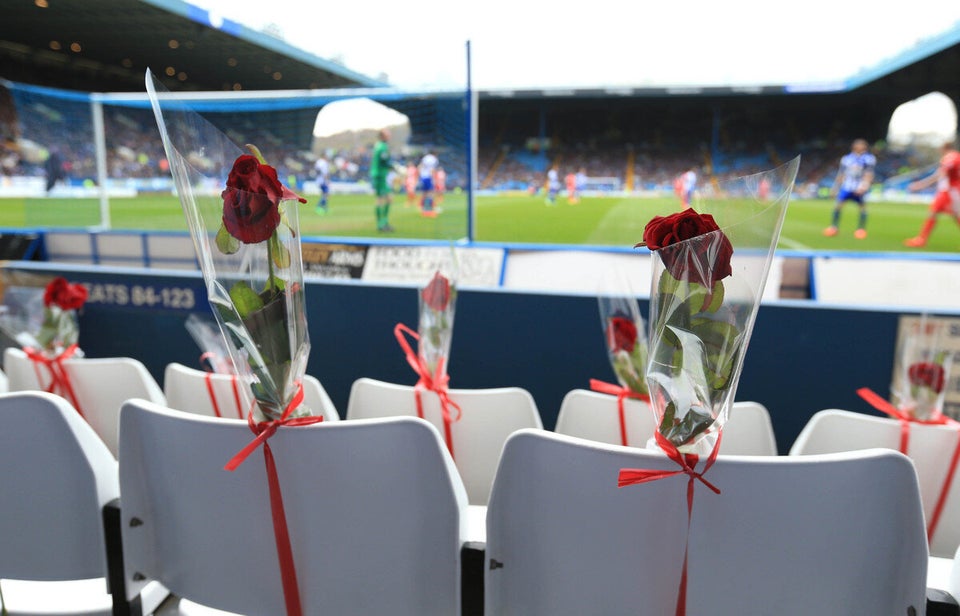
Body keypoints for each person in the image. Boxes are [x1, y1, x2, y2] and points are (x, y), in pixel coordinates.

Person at [904, 140, 960, 247]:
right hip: (951, 190)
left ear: (944, 148)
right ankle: (921, 239)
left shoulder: (949, 157)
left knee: (943, 213)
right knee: (937, 213)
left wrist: (920, 185)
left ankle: (921, 239)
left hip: (949, 191)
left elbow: (940, 174)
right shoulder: (957, 156)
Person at [823, 139, 876, 239]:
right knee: (838, 206)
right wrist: (835, 188)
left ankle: (861, 229)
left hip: (859, 187)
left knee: (862, 207)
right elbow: (841, 173)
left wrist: (864, 186)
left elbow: (869, 173)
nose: (861, 147)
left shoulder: (868, 158)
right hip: (847, 186)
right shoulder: (846, 159)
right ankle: (834, 227)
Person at [370, 129, 394, 232]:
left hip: (380, 175)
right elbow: (384, 161)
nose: (390, 135)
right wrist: (395, 167)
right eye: (388, 133)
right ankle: (381, 224)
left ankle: (384, 222)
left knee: (388, 199)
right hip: (379, 175)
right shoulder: (382, 146)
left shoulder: (379, 145)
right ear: (383, 136)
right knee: (381, 199)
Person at [418, 150, 439, 216]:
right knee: (430, 192)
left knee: (424, 192)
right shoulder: (434, 159)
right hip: (428, 177)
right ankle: (428, 209)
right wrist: (434, 179)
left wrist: (420, 176)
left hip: (423, 176)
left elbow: (419, 166)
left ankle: (423, 207)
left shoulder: (425, 157)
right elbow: (432, 170)